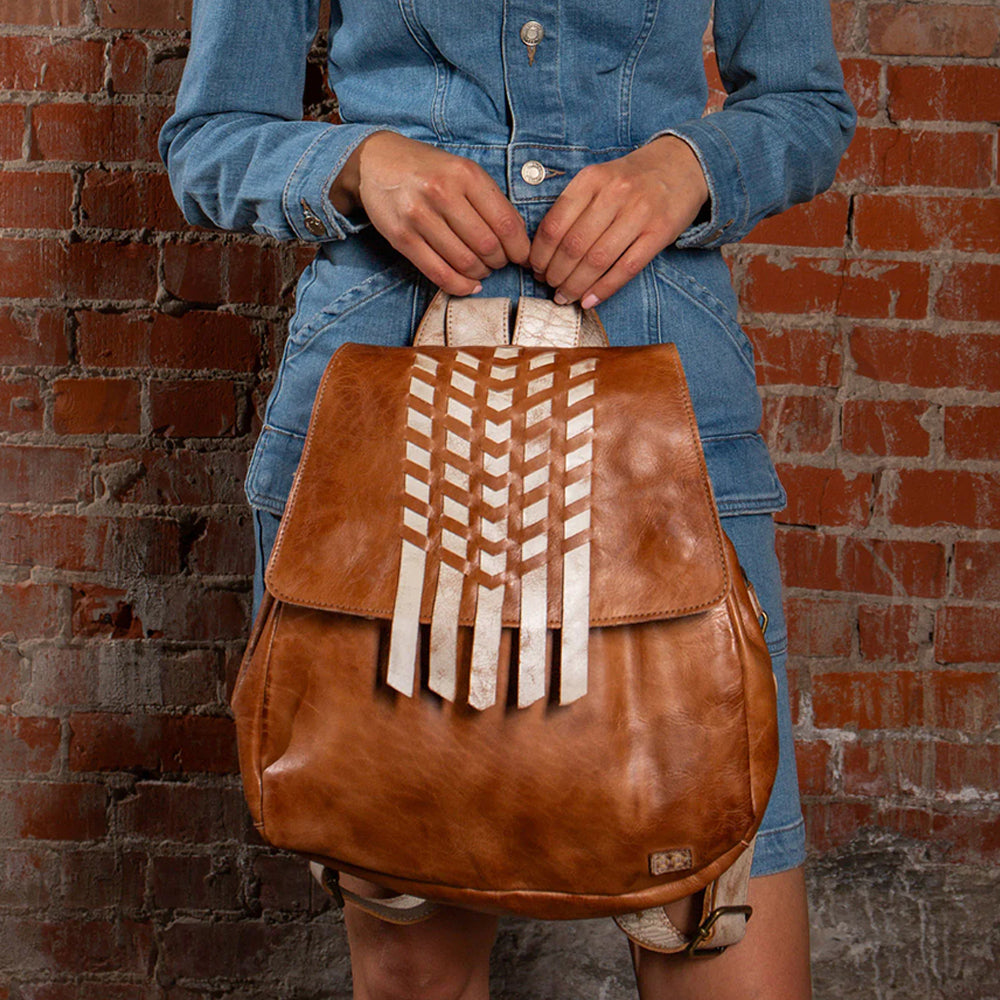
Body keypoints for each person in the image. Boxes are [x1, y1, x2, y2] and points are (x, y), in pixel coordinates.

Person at [160, 1, 855, 996]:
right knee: (415, 963)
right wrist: (359, 164)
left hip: (668, 421)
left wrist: (683, 168)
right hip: (384, 427)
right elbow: (208, 137)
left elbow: (804, 105)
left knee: (718, 939)